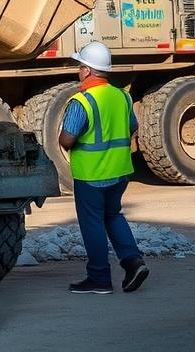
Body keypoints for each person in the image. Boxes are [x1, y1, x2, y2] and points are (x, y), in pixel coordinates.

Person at [58, 41, 148, 295]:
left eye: (80, 67)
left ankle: (99, 278)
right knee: (113, 215)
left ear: (87, 70)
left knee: (93, 223)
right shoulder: (122, 96)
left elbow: (66, 139)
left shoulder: (82, 100)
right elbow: (132, 127)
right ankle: (133, 262)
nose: (78, 71)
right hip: (120, 171)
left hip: (92, 174)